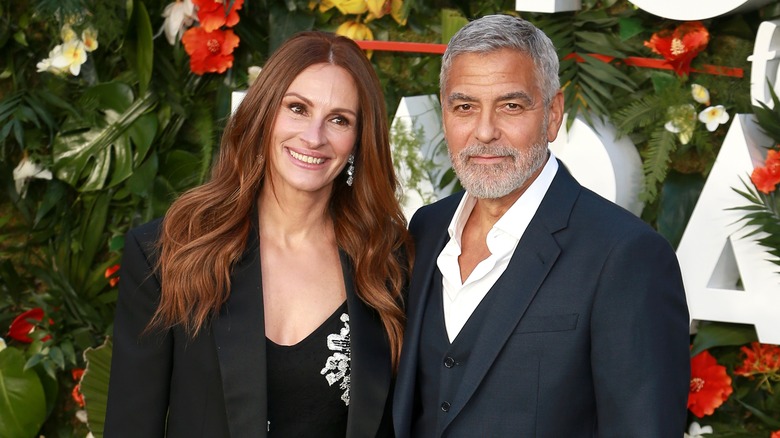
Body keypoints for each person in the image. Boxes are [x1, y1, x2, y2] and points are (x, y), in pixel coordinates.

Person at [392, 14, 690, 437]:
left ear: (552, 114)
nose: (484, 131)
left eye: (511, 106)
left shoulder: (626, 255)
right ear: (444, 114)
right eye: (464, 106)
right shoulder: (426, 227)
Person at [104, 31, 411, 438]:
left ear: (358, 140)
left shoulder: (388, 262)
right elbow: (131, 426)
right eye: (298, 108)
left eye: (339, 119)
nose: (314, 136)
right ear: (265, 114)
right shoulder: (170, 252)